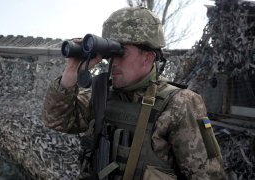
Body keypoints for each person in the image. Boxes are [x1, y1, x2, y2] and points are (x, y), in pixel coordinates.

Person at [43, 6, 226, 180]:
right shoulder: (102, 95)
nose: (113, 62)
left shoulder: (180, 103)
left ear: (148, 58)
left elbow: (209, 176)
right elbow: (57, 120)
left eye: (121, 52)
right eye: (110, 53)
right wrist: (70, 72)